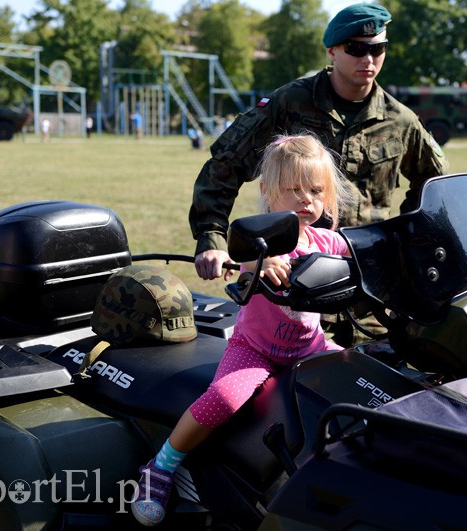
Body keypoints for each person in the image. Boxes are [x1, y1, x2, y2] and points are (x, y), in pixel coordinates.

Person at [131, 134, 355, 527]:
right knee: (223, 397)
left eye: (316, 190)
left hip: (309, 346)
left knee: (362, 377)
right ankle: (162, 465)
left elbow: (359, 258)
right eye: (293, 189)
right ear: (268, 191)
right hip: (258, 349)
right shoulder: (260, 242)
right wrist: (261, 264)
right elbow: (248, 261)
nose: (307, 199)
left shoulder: (328, 240)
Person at [189, 3, 448, 284]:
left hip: (369, 276)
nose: (369, 59)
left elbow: (437, 183)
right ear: (332, 51)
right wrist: (212, 236)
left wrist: (406, 236)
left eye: (377, 49)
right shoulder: (290, 103)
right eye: (356, 49)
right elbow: (225, 165)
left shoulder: (401, 120)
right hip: (292, 273)